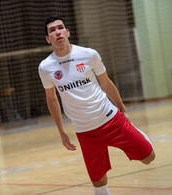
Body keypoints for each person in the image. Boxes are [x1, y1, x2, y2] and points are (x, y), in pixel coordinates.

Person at [39, 16, 155, 195]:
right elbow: (52, 99)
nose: (57, 32)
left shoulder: (88, 54)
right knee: (98, 183)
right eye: (52, 30)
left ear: (67, 32)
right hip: (85, 131)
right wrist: (61, 131)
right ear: (48, 39)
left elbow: (106, 83)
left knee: (149, 158)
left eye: (60, 28)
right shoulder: (45, 67)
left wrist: (122, 109)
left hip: (110, 119)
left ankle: (139, 135)